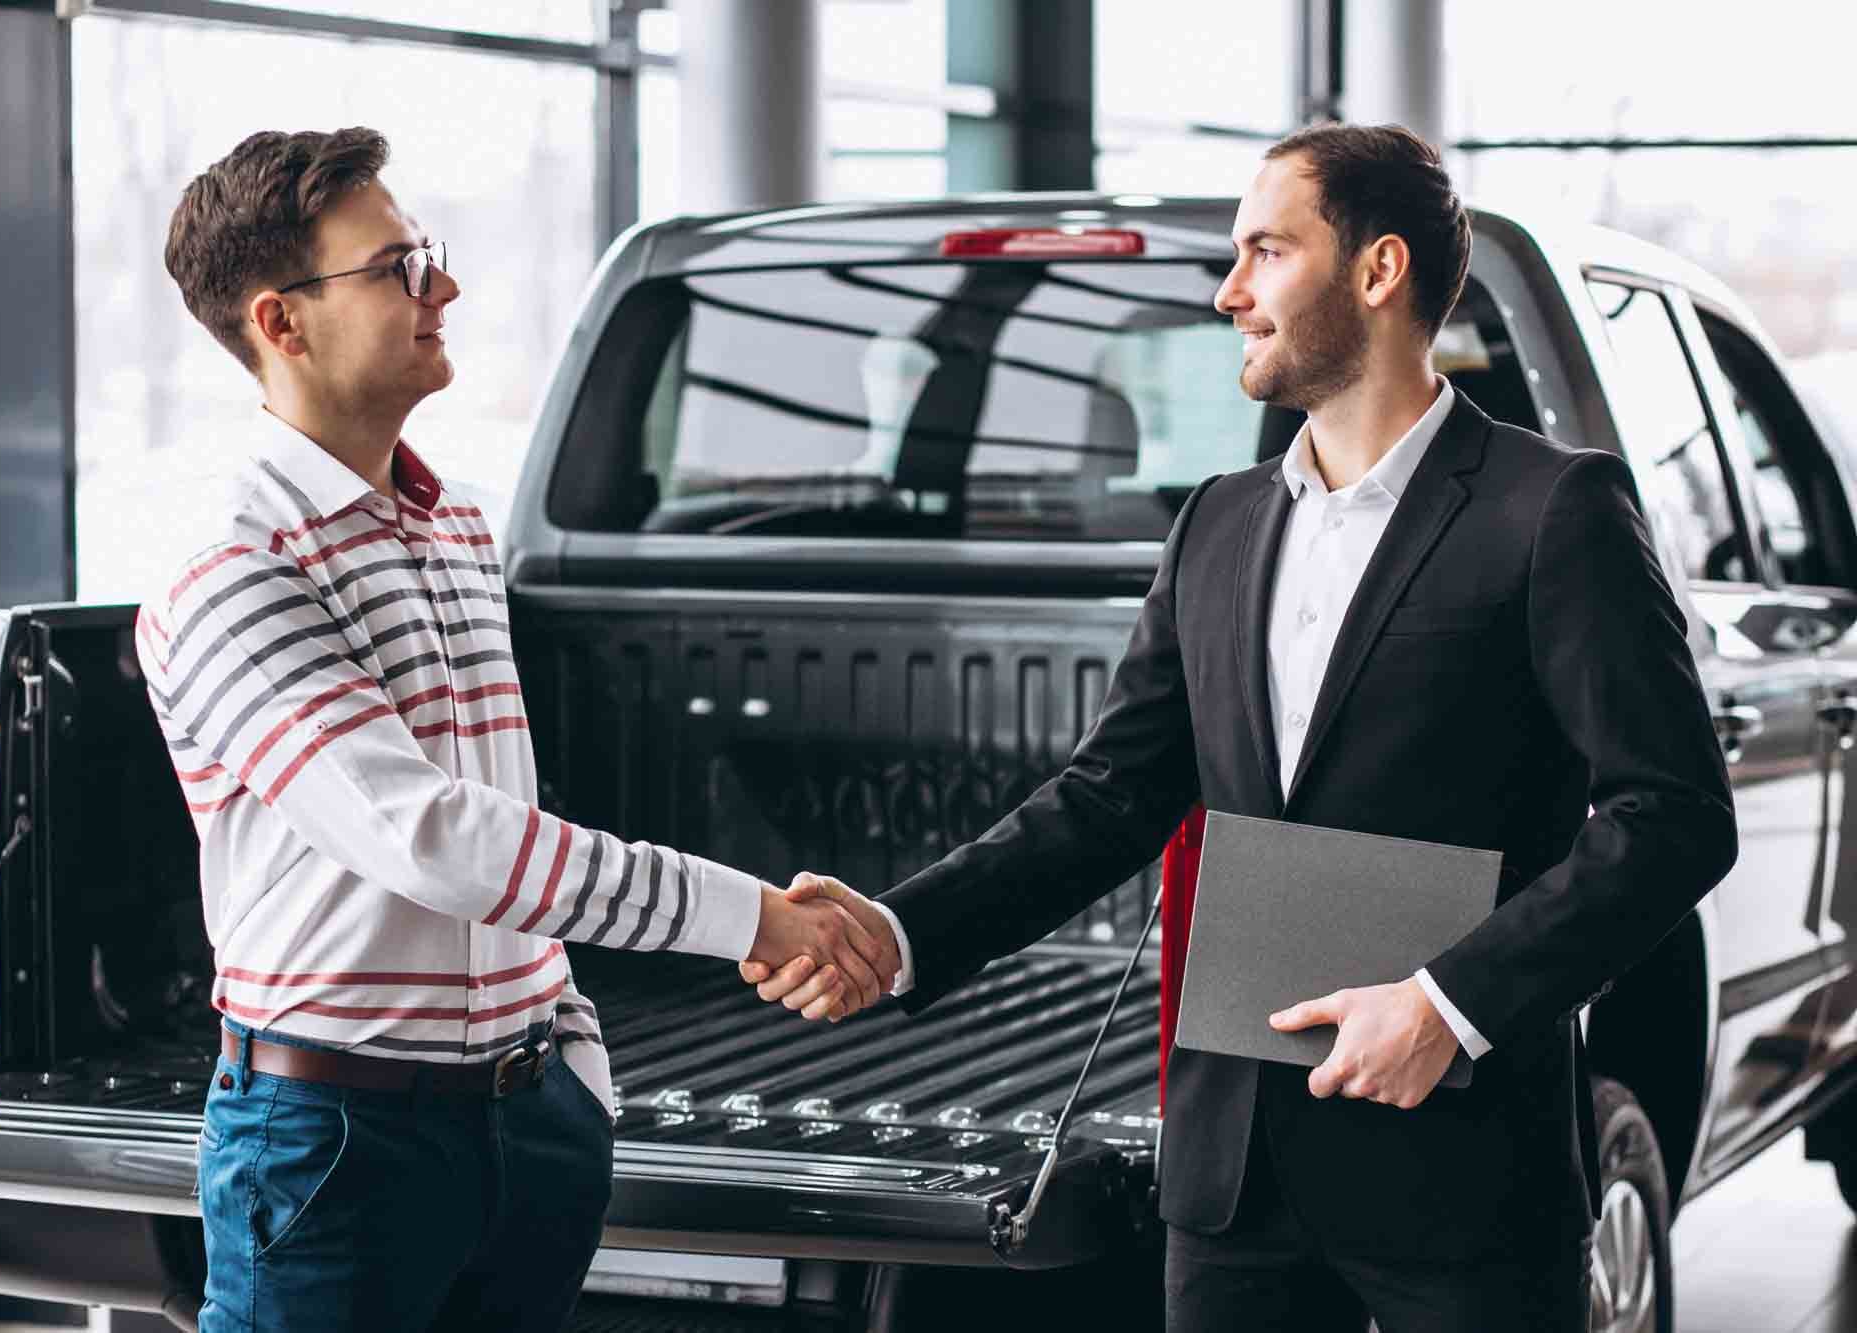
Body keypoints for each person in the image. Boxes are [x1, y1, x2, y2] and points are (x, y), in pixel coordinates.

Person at [743, 122, 1737, 1331]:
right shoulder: (1215, 524)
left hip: (1462, 1171)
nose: (1228, 293)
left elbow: (1672, 816)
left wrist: (1447, 1005)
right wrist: (900, 931)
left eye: (1265, 250)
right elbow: (1108, 796)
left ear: (1376, 270)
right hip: (1233, 1182)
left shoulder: (1549, 509)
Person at [138, 127, 888, 1332]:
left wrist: (570, 1059)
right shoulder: (236, 561)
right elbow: (432, 837)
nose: (441, 286)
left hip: (529, 1118)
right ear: (281, 323)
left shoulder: (451, 526)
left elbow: (504, 814)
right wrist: (748, 914)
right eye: (396, 268)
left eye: (424, 253)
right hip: (334, 1142)